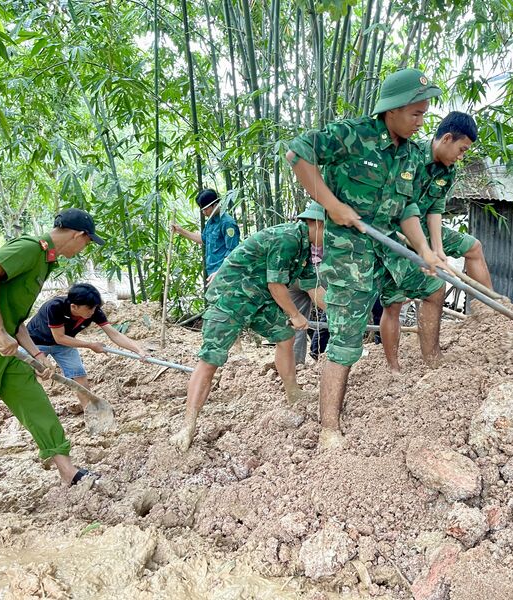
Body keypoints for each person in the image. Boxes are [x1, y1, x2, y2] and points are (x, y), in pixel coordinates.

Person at [286, 68, 445, 449]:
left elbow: (407, 207)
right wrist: (331, 203)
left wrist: (424, 249)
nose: (421, 123)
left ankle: (433, 363)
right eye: (416, 114)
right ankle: (328, 429)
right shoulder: (353, 135)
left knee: (434, 288)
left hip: (388, 246)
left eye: (425, 114)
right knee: (346, 339)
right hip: (349, 252)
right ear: (391, 110)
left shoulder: (409, 154)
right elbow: (297, 152)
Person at [0, 208, 104, 506]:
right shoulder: (31, 248)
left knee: (36, 404)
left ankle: (68, 472)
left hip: (6, 348)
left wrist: (36, 353)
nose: (85, 248)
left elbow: (15, 319)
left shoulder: (45, 262)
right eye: (87, 242)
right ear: (77, 235)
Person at [170, 202, 327, 451]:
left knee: (284, 337)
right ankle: (187, 426)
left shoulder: (306, 247)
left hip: (259, 298)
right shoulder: (287, 239)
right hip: (230, 296)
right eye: (329, 230)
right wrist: (296, 315)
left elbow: (312, 287)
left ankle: (293, 393)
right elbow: (277, 286)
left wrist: (340, 314)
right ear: (315, 224)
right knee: (211, 359)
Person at [380, 111, 493, 373]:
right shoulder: (409, 156)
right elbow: (396, 209)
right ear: (447, 138)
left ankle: (488, 316)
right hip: (392, 233)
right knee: (395, 302)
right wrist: (423, 249)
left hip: (424, 228)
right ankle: (394, 368)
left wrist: (439, 250)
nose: (461, 156)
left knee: (473, 247)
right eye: (461, 149)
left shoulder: (448, 170)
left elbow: (435, 209)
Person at [27, 283, 148, 411]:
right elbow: (59, 337)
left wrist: (138, 350)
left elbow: (114, 334)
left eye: (94, 308)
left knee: (79, 374)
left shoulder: (93, 311)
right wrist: (90, 345)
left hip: (65, 344)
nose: (93, 312)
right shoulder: (55, 307)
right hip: (36, 342)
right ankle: (36, 410)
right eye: (89, 309)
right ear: (74, 306)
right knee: (34, 374)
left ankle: (90, 412)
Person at [171, 188, 240, 286]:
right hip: (212, 273)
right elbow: (203, 239)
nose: (204, 212)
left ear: (215, 205)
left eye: (205, 209)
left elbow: (232, 252)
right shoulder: (210, 222)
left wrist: (219, 272)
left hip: (225, 274)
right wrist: (180, 230)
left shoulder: (227, 223)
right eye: (202, 209)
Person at [287, 202, 326, 365]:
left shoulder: (295, 234)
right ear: (319, 224)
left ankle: (295, 363)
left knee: (296, 317)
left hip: (296, 276)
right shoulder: (290, 237)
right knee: (334, 309)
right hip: (314, 275)